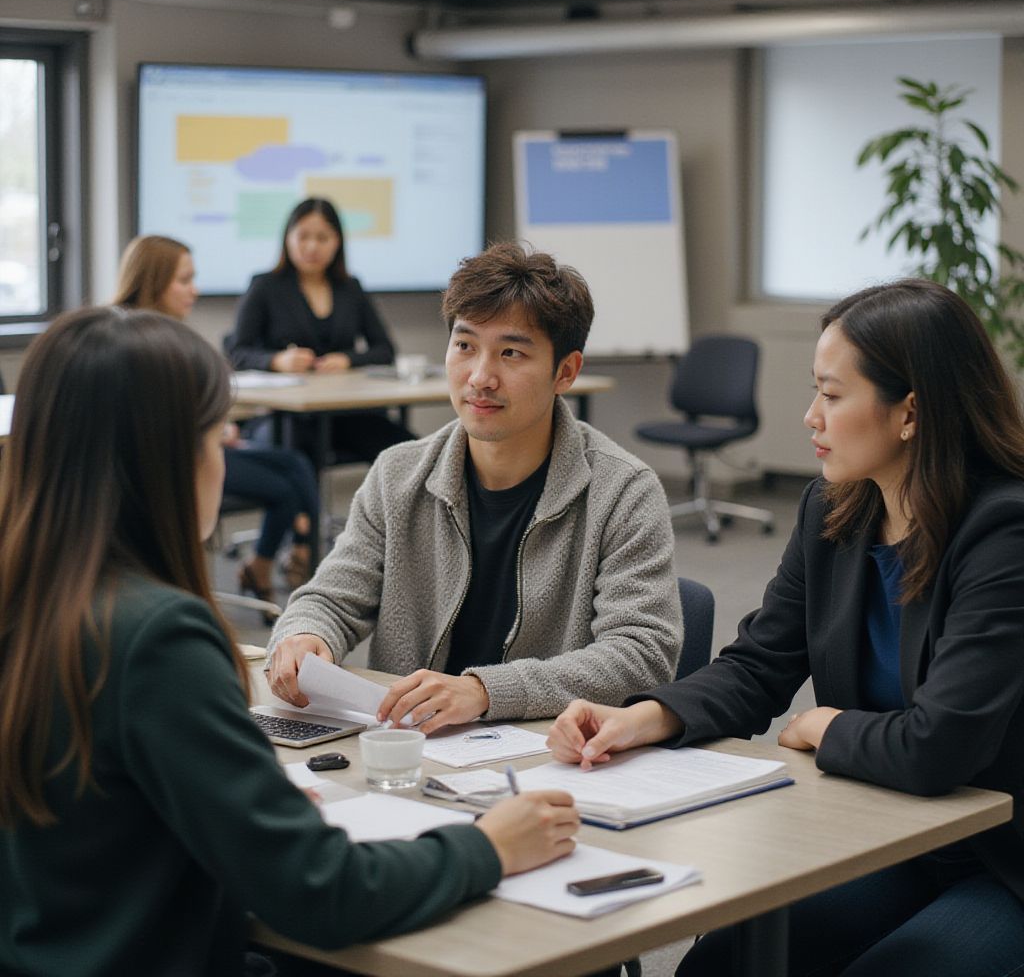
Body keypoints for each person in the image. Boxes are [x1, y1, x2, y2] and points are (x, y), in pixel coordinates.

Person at [0, 306, 579, 977]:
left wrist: (247, 814)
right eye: (220, 438)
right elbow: (322, 891)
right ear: (165, 458)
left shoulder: (31, 596)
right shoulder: (157, 639)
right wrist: (488, 847)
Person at [547, 278, 1024, 977]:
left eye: (832, 395)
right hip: (893, 834)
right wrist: (647, 716)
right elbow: (759, 664)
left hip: (1003, 858)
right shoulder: (835, 508)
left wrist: (824, 728)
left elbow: (938, 746)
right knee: (722, 963)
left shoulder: (1003, 532)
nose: (810, 417)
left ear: (911, 413)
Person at [266, 242, 682, 735]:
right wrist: (305, 634)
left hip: (548, 757)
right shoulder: (398, 475)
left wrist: (486, 691)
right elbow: (332, 598)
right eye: (465, 346)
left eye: (511, 353)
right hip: (411, 753)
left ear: (566, 372)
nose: (480, 378)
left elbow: (641, 653)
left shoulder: (622, 492)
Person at [115, 234, 320, 607]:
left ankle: (293, 548)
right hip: (174, 462)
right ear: (154, 279)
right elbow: (152, 424)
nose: (194, 290)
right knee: (285, 486)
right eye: (184, 280)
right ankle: (274, 559)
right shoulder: (143, 344)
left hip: (199, 444)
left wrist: (214, 428)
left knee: (294, 462)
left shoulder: (154, 334)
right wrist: (211, 430)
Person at [226, 197, 415, 465]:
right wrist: (277, 360)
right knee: (297, 454)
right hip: (287, 414)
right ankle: (306, 509)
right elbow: (236, 351)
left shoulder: (350, 288)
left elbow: (384, 349)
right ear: (287, 239)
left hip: (346, 413)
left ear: (337, 242)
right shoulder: (265, 287)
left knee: (408, 453)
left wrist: (347, 359)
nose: (311, 246)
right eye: (302, 236)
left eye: (322, 238)